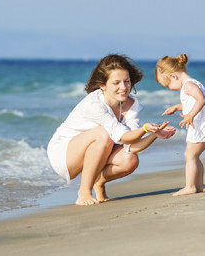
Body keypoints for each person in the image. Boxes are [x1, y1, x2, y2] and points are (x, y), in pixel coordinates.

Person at [47, 54, 176, 206]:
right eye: (116, 83)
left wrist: (154, 134)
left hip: (98, 147)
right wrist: (144, 129)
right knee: (104, 134)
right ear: (103, 85)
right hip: (64, 154)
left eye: (127, 81)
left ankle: (98, 182)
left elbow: (132, 145)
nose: (123, 87)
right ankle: (84, 192)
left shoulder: (132, 105)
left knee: (130, 160)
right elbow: (121, 135)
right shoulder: (94, 104)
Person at [155, 53, 205, 196]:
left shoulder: (189, 85)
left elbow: (201, 100)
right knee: (194, 156)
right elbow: (193, 102)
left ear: (173, 76)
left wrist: (190, 115)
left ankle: (190, 187)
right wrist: (178, 107)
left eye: (168, 85)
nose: (170, 88)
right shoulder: (192, 83)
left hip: (201, 126)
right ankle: (199, 185)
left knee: (189, 155)